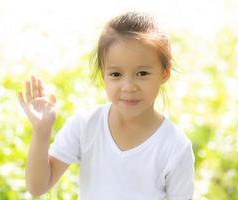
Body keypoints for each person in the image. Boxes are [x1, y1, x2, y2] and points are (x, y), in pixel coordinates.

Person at [17, 11, 195, 200]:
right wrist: (42, 130)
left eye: (142, 73)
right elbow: (37, 186)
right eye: (116, 74)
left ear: (164, 73)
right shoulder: (86, 125)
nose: (128, 87)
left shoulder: (175, 147)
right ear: (103, 75)